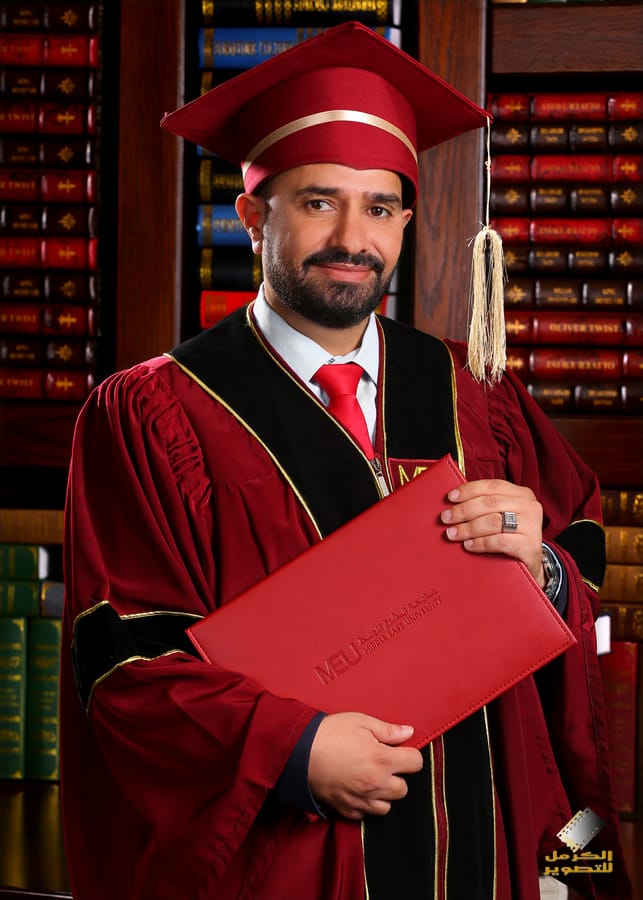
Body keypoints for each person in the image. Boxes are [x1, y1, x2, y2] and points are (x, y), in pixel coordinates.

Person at [60, 21, 630, 900]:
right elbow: (124, 662)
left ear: (406, 219)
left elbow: (579, 563)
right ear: (253, 216)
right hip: (292, 867)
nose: (353, 237)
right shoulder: (151, 414)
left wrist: (544, 571)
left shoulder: (475, 393)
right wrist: (291, 750)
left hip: (492, 857)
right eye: (319, 202)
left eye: (380, 207)